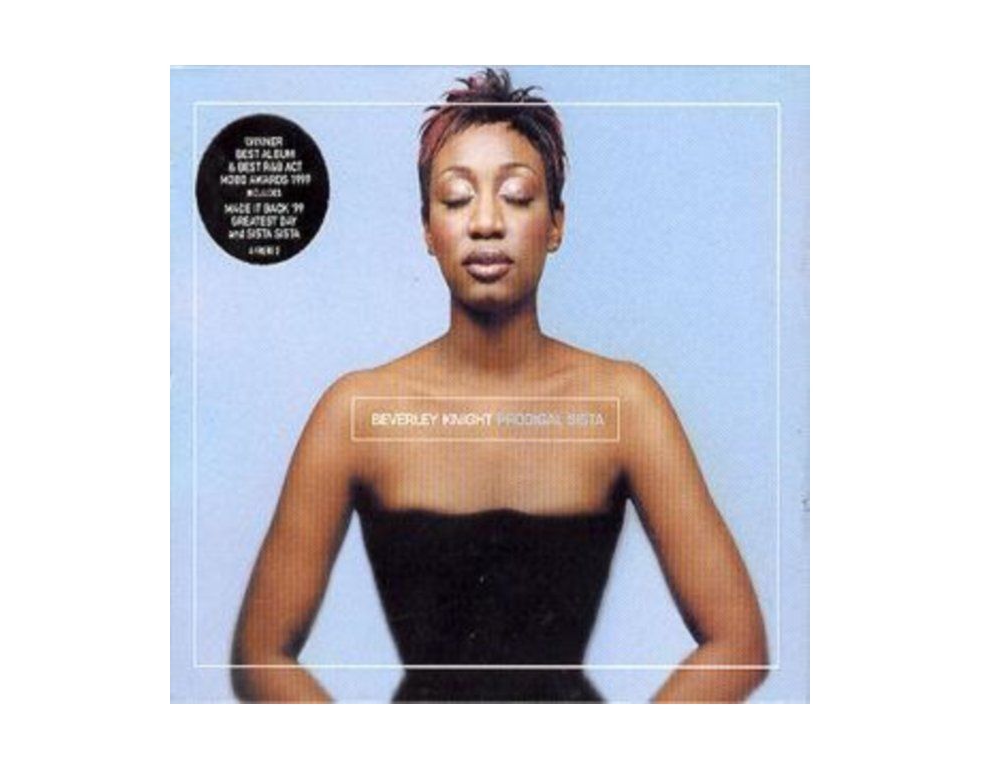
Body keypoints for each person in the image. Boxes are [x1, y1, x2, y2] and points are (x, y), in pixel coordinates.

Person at [231, 68, 768, 703]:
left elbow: (740, 644)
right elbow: (258, 656)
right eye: (457, 198)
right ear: (427, 228)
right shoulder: (358, 413)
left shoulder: (623, 405)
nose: (486, 223)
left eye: (516, 195)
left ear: (557, 223)